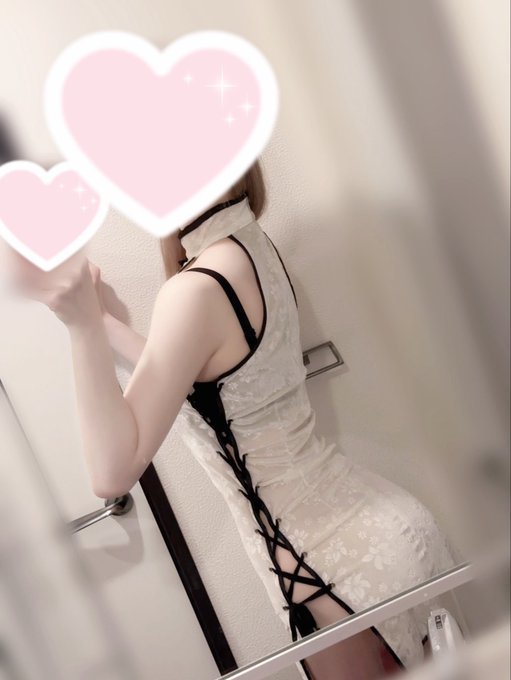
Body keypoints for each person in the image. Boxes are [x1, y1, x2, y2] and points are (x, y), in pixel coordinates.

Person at [11, 159, 457, 679]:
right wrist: (104, 322)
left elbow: (109, 475)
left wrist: (82, 327)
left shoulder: (194, 288)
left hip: (321, 569)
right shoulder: (246, 245)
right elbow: (196, 377)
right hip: (380, 529)